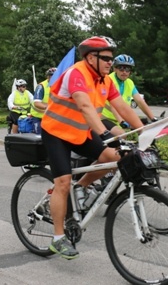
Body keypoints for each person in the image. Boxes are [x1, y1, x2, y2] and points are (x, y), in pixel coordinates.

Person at [41, 36, 144, 259]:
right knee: (62, 182)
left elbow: (123, 107)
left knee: (115, 158)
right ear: (90, 57)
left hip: (80, 133)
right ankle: (58, 239)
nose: (111, 62)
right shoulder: (77, 73)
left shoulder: (105, 80)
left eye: (111, 58)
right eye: (106, 58)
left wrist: (144, 130)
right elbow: (85, 106)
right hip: (56, 132)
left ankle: (81, 187)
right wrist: (104, 133)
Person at [100, 54, 157, 136]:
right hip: (104, 118)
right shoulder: (108, 80)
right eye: (121, 69)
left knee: (142, 130)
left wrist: (152, 118)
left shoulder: (129, 83)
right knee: (121, 135)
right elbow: (113, 106)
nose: (124, 72)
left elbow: (140, 102)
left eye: (127, 69)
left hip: (120, 119)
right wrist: (121, 121)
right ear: (115, 69)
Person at [29, 67, 57, 135]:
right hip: (38, 116)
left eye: (55, 76)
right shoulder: (41, 86)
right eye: (51, 75)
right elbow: (37, 103)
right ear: (47, 76)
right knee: (38, 136)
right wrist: (49, 106)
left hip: (50, 116)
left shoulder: (60, 85)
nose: (53, 78)